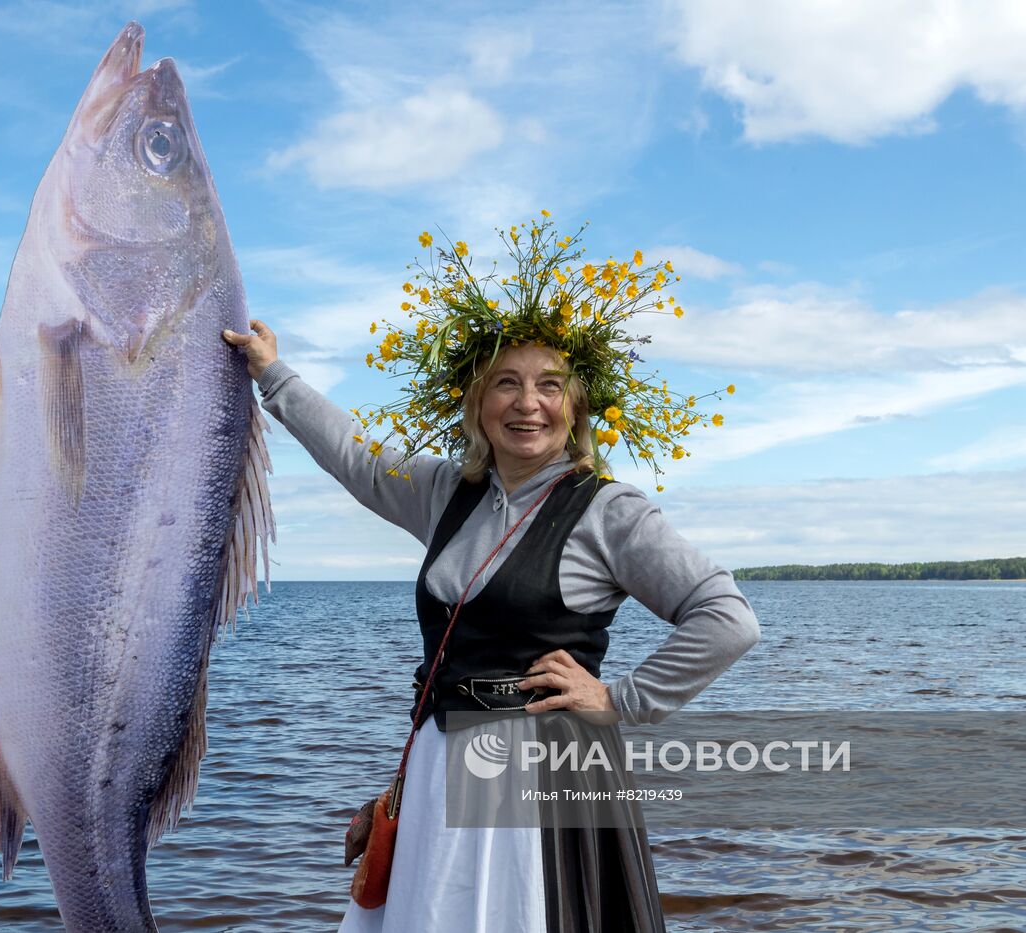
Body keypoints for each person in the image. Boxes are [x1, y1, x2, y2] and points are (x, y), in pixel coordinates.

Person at [222, 310, 761, 932]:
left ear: (578, 408)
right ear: (477, 403)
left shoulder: (610, 512)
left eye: (550, 386)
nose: (528, 403)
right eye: (506, 382)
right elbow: (358, 458)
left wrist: (619, 699)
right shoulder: (448, 491)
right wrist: (271, 372)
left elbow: (727, 617)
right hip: (437, 759)